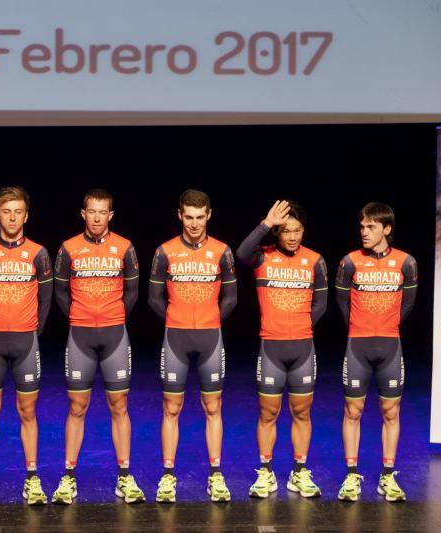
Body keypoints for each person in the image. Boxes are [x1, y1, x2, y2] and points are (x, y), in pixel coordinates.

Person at [50, 189, 145, 505]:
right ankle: (69, 477)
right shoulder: (68, 248)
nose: (96, 217)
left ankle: (124, 477)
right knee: (77, 407)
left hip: (115, 335)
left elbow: (132, 293)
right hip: (80, 337)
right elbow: (61, 293)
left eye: (102, 212)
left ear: (110, 216)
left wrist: (112, 317)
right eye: (91, 211)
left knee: (119, 406)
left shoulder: (125, 247)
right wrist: (80, 317)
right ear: (83, 213)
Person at [148, 189, 237, 503]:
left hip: (211, 338)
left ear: (209, 215)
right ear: (180, 215)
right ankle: (168, 476)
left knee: (213, 408)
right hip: (176, 339)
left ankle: (216, 475)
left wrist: (211, 319)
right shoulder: (165, 252)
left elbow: (231, 298)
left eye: (200, 217)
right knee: (171, 409)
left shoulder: (223, 252)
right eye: (189, 217)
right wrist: (176, 319)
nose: (195, 223)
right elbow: (154, 299)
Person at [236, 200, 328, 498]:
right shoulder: (262, 257)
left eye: (297, 231)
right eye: (286, 231)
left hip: (302, 348)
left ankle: (299, 473)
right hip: (271, 348)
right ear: (277, 232)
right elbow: (240, 253)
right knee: (268, 413)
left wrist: (297, 326)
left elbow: (321, 305)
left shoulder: (315, 261)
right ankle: (266, 472)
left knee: (302, 412)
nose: (292, 237)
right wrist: (265, 223)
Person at [0, 186, 53, 505]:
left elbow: (45, 301)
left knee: (27, 411)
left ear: (27, 215)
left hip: (26, 342)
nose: (13, 217)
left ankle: (32, 479)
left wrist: (31, 332)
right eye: (7, 211)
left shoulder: (38, 253)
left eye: (19, 211)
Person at [335, 202, 418, 502]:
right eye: (361, 226)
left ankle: (387, 476)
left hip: (390, 347)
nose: (364, 232)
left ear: (387, 229)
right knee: (352, 411)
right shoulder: (350, 262)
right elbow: (342, 305)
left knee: (391, 411)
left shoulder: (406, 262)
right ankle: (351, 476)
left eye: (371, 227)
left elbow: (407, 306)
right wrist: (361, 327)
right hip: (357, 346)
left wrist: (385, 327)